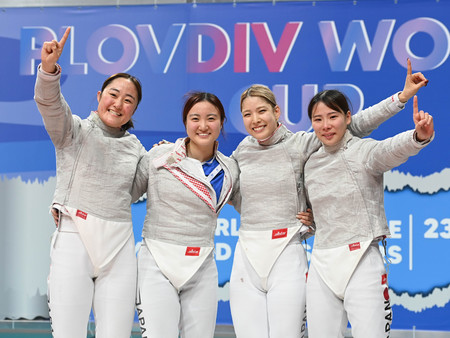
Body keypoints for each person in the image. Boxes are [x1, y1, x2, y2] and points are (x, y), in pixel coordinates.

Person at [228, 59, 428, 338]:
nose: (255, 119)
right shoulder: (242, 151)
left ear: (277, 111)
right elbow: (225, 183)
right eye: (247, 114)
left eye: (261, 111)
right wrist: (177, 148)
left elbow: (358, 126)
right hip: (262, 254)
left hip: (308, 252)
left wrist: (402, 100)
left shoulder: (302, 144)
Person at [34, 27, 146, 338]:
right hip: (74, 238)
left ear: (134, 109)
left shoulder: (137, 149)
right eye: (113, 95)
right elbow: (50, 104)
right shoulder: (73, 131)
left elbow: (142, 188)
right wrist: (48, 70)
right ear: (99, 97)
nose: (118, 104)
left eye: (128, 100)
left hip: (119, 247)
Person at [304, 91, 433, 338]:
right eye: (318, 119)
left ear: (348, 117)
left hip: (362, 259)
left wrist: (417, 137)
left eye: (333, 116)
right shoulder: (310, 162)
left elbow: (390, 150)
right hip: (321, 264)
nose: (326, 125)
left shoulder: (363, 151)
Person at [134, 92, 240, 338]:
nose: (203, 126)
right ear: (185, 123)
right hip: (156, 262)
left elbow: (254, 206)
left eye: (211, 118)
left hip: (201, 265)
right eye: (195, 118)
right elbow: (124, 193)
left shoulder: (230, 169)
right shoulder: (159, 156)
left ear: (222, 122)